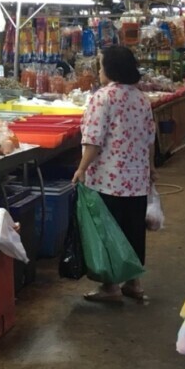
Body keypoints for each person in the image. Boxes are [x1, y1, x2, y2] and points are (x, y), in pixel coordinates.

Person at [72, 46, 156, 303]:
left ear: (110, 68)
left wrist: (81, 168)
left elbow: (94, 140)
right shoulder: (140, 98)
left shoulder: (103, 97)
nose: (99, 71)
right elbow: (150, 138)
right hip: (136, 177)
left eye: (101, 65)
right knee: (132, 230)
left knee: (108, 231)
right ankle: (134, 282)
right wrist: (151, 169)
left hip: (109, 178)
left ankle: (110, 287)